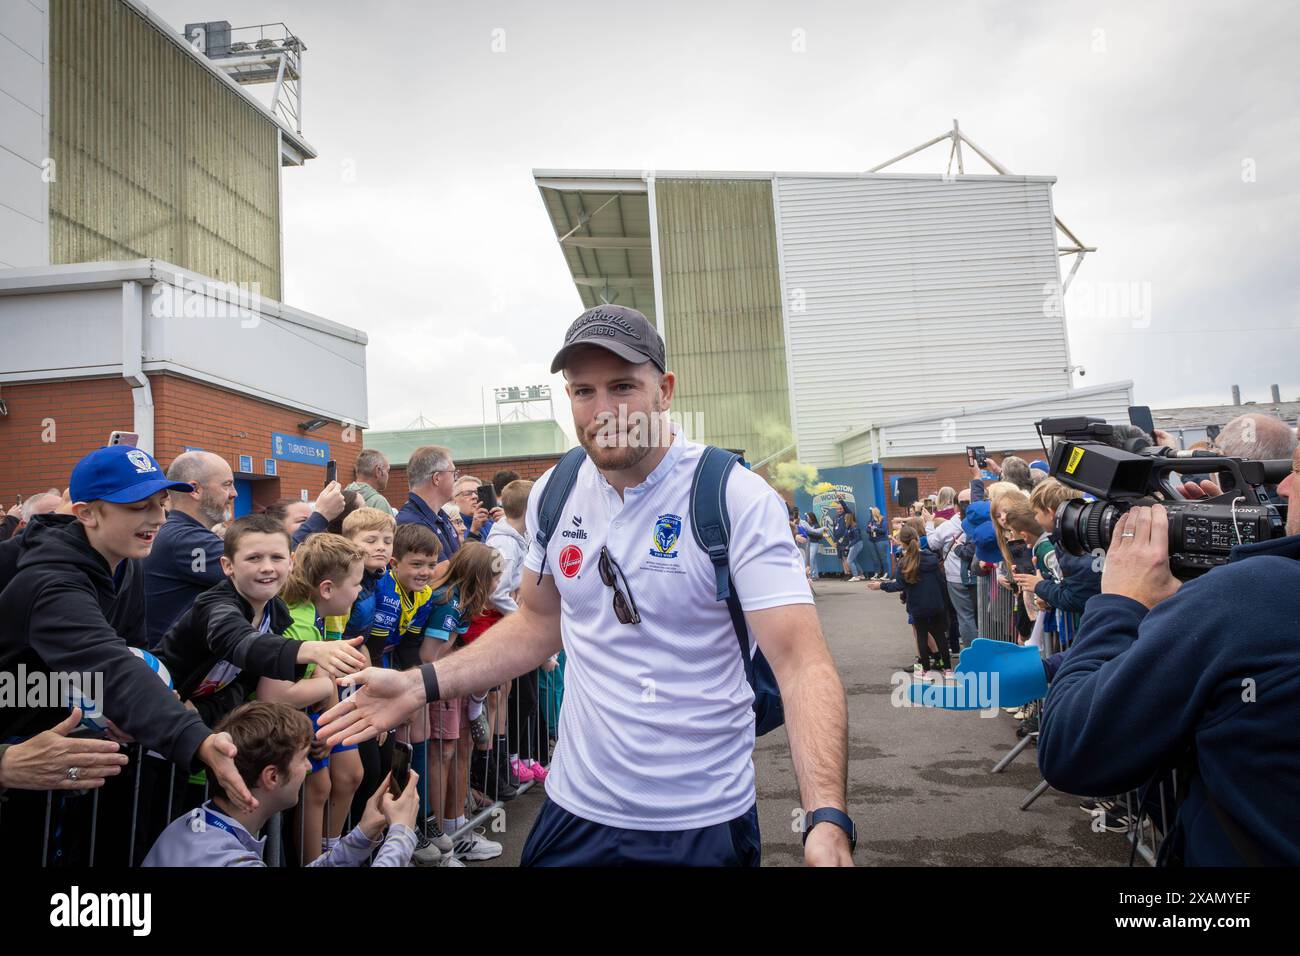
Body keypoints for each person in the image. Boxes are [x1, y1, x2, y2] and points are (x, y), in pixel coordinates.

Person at [318, 304, 854, 866]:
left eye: (622, 386)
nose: (603, 410)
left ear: (664, 390)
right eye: (582, 391)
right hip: (573, 812)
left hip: (699, 820)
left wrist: (826, 818)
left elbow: (802, 665)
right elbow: (537, 622)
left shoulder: (733, 496)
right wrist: (418, 685)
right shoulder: (558, 486)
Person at [1037, 441, 1300, 864]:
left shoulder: (1253, 595)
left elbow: (1070, 750)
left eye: (1298, 471)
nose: (1283, 487)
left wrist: (1120, 603)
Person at [0, 445, 254, 866]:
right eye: (138, 506)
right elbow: (108, 663)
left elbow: (131, 655)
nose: (157, 517)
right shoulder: (50, 579)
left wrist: (130, 709)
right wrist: (195, 738)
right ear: (87, 513)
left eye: (161, 502)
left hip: (55, 763)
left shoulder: (126, 562)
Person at [143, 701, 419, 867]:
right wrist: (402, 835)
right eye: (303, 759)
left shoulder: (197, 824)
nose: (310, 768)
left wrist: (363, 833)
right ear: (272, 777)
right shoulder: (229, 861)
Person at [142, 451, 239, 647]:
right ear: (194, 489)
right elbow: (262, 571)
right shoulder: (185, 539)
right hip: (172, 670)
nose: (234, 493)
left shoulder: (183, 534)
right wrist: (319, 517)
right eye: (226, 484)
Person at [870, 525, 951, 677]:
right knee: (940, 636)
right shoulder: (932, 559)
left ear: (902, 543)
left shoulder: (904, 563)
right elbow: (941, 582)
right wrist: (943, 602)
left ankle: (924, 671)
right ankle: (948, 670)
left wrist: (880, 585)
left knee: (921, 636)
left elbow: (899, 585)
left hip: (917, 605)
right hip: (936, 604)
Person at [925, 489, 977, 648]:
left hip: (956, 577)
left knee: (965, 617)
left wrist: (928, 523)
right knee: (983, 617)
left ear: (956, 507)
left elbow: (932, 544)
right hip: (981, 574)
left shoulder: (948, 526)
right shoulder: (983, 523)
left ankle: (972, 655)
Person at [397, 446, 462, 559]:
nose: (455, 479)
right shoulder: (412, 525)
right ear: (437, 478)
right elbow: (444, 574)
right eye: (453, 473)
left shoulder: (439, 516)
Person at [345, 449, 395, 514]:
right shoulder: (379, 502)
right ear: (378, 471)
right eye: (387, 471)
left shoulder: (340, 499)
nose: (388, 475)